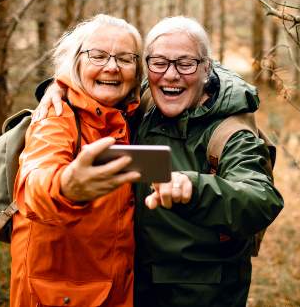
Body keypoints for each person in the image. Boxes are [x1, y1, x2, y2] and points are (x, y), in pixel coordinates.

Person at [36, 16, 284, 307]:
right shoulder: (143, 103)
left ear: (206, 68)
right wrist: (57, 88)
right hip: (133, 286)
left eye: (185, 63)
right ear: (147, 67)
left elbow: (261, 199)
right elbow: (97, 85)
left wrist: (193, 187)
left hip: (201, 294)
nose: (170, 75)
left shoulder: (230, 132)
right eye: (159, 63)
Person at [10, 14, 143, 307]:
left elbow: (194, 67)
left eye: (125, 58)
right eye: (98, 56)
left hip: (114, 288)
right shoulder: (56, 116)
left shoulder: (133, 115)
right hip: (58, 295)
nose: (112, 66)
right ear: (76, 62)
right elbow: (35, 181)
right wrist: (66, 187)